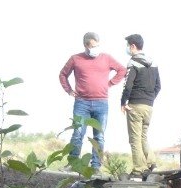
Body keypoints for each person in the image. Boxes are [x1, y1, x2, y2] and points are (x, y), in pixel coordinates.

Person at [59, 32, 126, 171]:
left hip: (101, 103)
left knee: (99, 137)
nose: (96, 48)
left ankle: (95, 166)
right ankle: (73, 164)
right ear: (85, 45)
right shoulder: (75, 59)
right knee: (77, 134)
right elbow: (63, 74)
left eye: (98, 45)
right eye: (93, 46)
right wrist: (69, 90)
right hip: (81, 103)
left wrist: (111, 83)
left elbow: (122, 70)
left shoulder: (106, 58)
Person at [120, 33, 161, 179]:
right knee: (143, 136)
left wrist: (123, 102)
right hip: (149, 106)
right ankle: (151, 163)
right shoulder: (153, 63)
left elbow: (128, 86)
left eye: (127, 46)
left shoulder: (133, 63)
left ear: (132, 46)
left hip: (135, 105)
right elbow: (158, 86)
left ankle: (138, 169)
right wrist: (149, 99)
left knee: (134, 138)